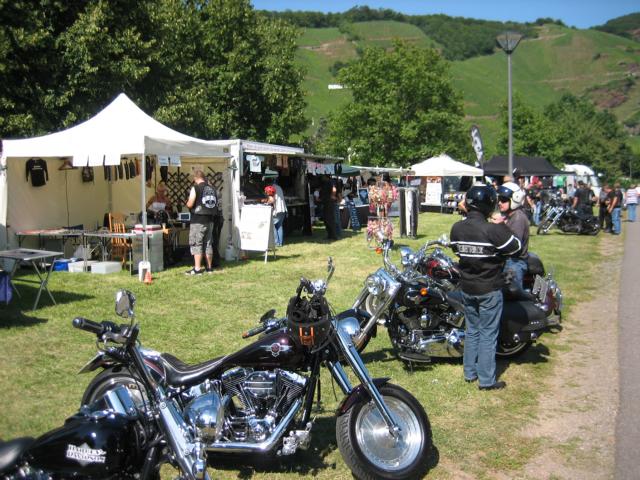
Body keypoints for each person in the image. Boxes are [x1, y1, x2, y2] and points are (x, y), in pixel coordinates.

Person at [450, 185, 522, 390]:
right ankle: (487, 380)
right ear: (489, 205)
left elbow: (457, 251)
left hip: (467, 287)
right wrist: (503, 225)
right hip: (489, 288)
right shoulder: (493, 229)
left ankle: (469, 373)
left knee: (472, 330)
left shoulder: (457, 228)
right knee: (488, 334)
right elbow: (516, 248)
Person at [493, 182, 530, 290]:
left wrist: (501, 225)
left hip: (515, 261)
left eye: (504, 200)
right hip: (506, 259)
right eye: (499, 199)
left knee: (510, 292)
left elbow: (514, 246)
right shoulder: (509, 215)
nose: (500, 202)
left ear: (515, 200)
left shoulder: (518, 218)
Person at [185, 170, 219, 275]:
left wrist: (187, 203)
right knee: (208, 244)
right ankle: (209, 268)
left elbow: (190, 203)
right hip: (210, 220)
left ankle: (197, 269)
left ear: (195, 178)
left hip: (198, 220)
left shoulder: (195, 188)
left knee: (197, 243)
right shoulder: (213, 189)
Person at [263, 180, 287, 247]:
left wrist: (266, 203)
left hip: (277, 210)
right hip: (283, 209)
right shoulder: (279, 187)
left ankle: (276, 243)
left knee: (273, 226)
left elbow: (272, 200)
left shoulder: (270, 188)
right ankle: (280, 243)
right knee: (279, 226)